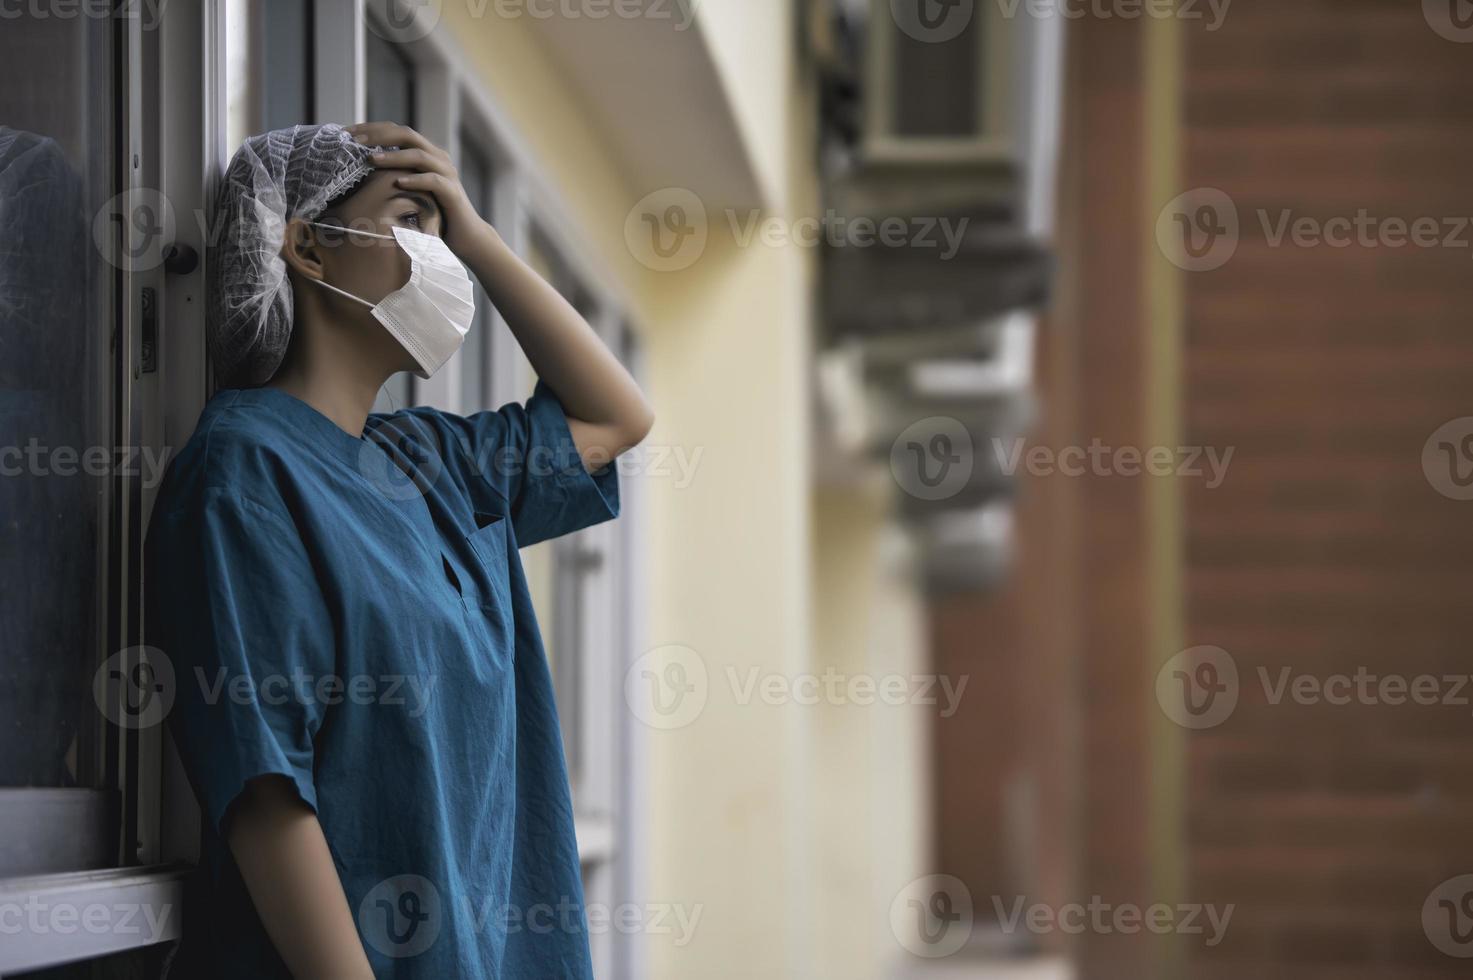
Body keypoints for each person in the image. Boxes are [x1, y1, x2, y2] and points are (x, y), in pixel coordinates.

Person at [144, 121, 653, 979]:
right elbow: (268, 792)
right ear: (307, 248)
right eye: (411, 222)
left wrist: (478, 235)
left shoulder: (429, 461)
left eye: (440, 230)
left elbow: (614, 418)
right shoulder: (243, 471)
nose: (439, 255)